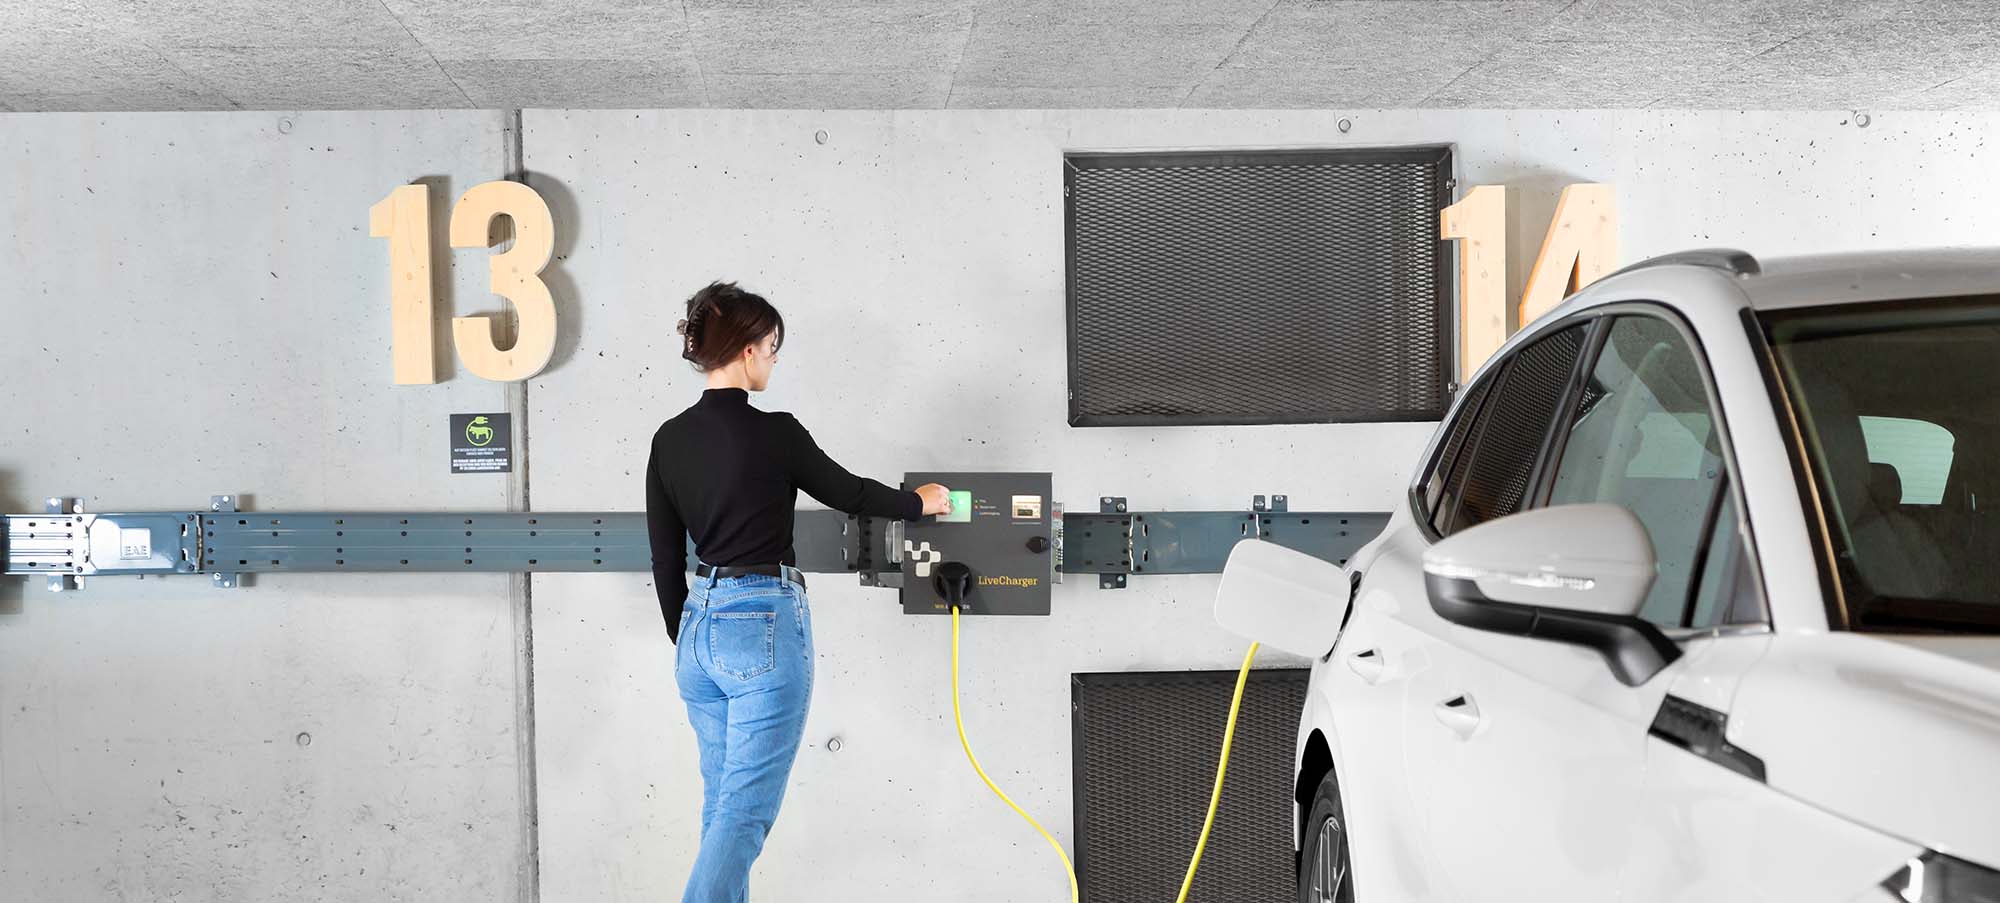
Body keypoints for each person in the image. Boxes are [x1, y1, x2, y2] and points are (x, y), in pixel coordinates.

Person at [644, 280, 951, 903]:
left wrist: (686, 635)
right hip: (761, 622)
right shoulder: (776, 432)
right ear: (747, 350)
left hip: (697, 632)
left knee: (722, 813)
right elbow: (850, 493)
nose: (774, 359)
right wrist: (916, 505)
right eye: (771, 347)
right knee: (742, 818)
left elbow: (664, 554)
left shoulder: (668, 439)